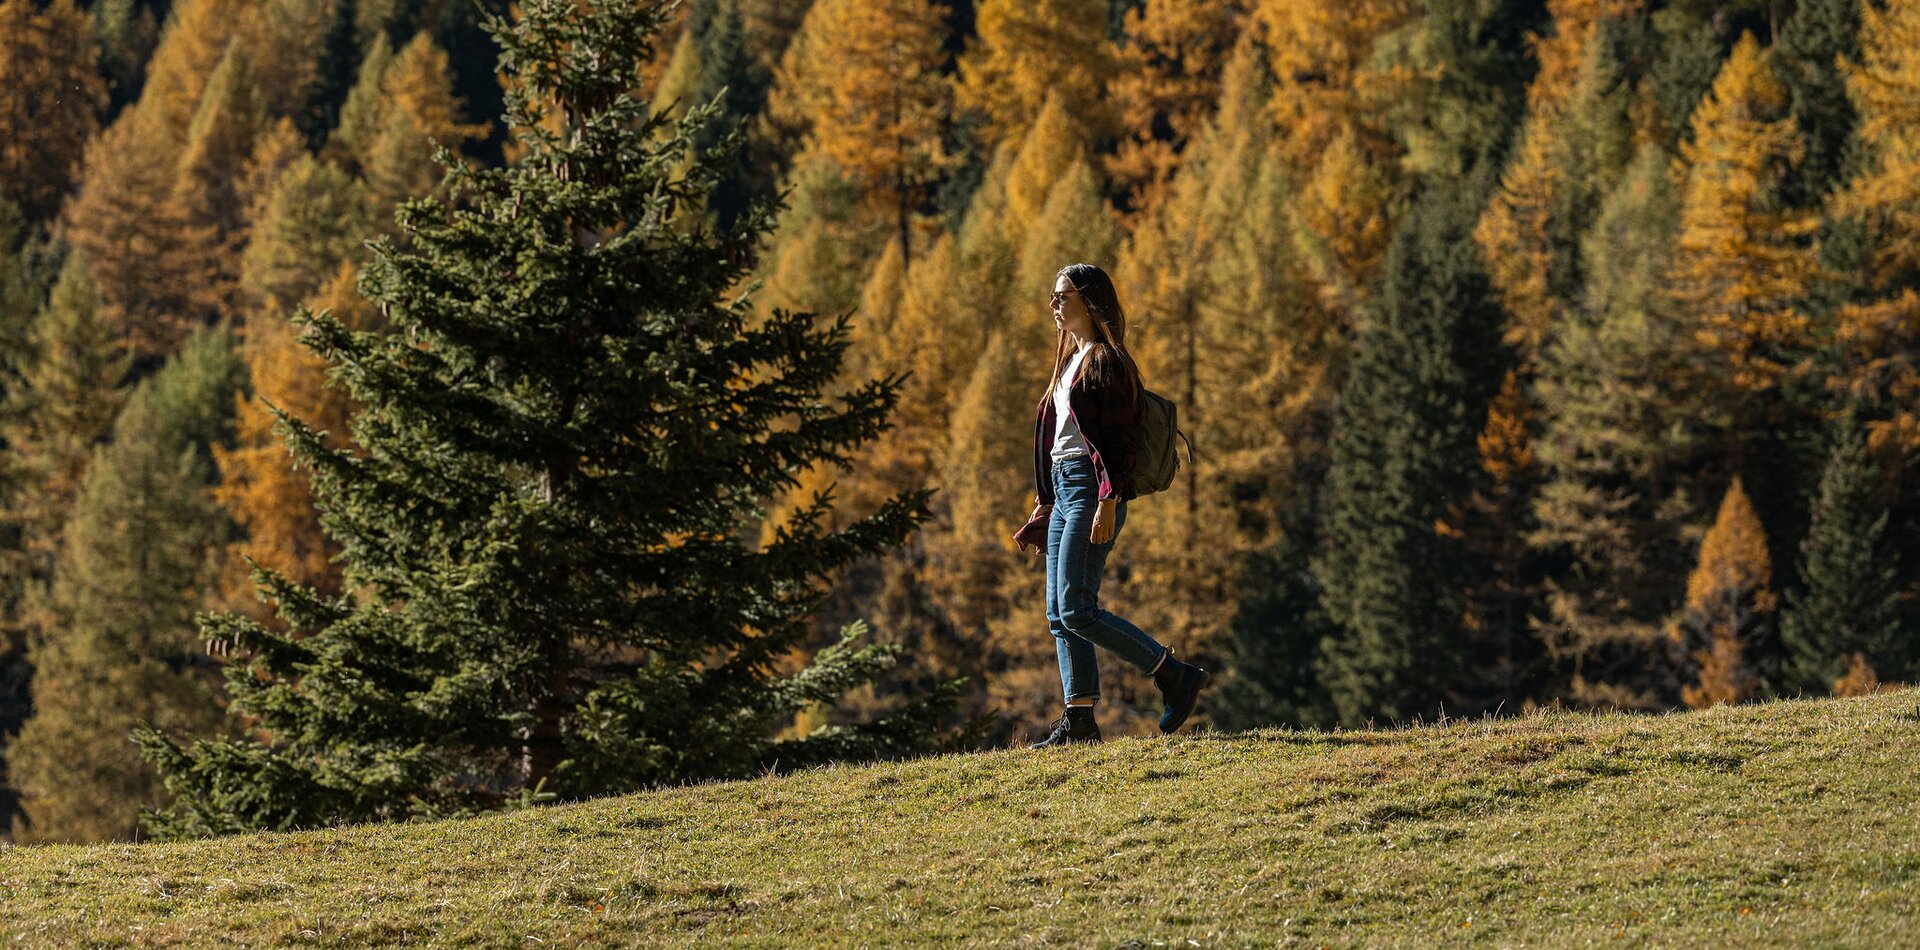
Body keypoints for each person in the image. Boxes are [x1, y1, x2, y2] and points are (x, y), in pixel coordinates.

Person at [1010, 262, 1210, 748]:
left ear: (1090, 300)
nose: (1055, 304)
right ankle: (1079, 720)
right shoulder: (1073, 360)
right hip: (1064, 489)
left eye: (1063, 296)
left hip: (1091, 489)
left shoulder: (1106, 360)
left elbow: (1117, 443)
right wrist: (1044, 499)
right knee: (1059, 614)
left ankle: (1173, 674)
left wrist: (1108, 499)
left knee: (1078, 607)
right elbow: (1060, 438)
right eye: (1054, 296)